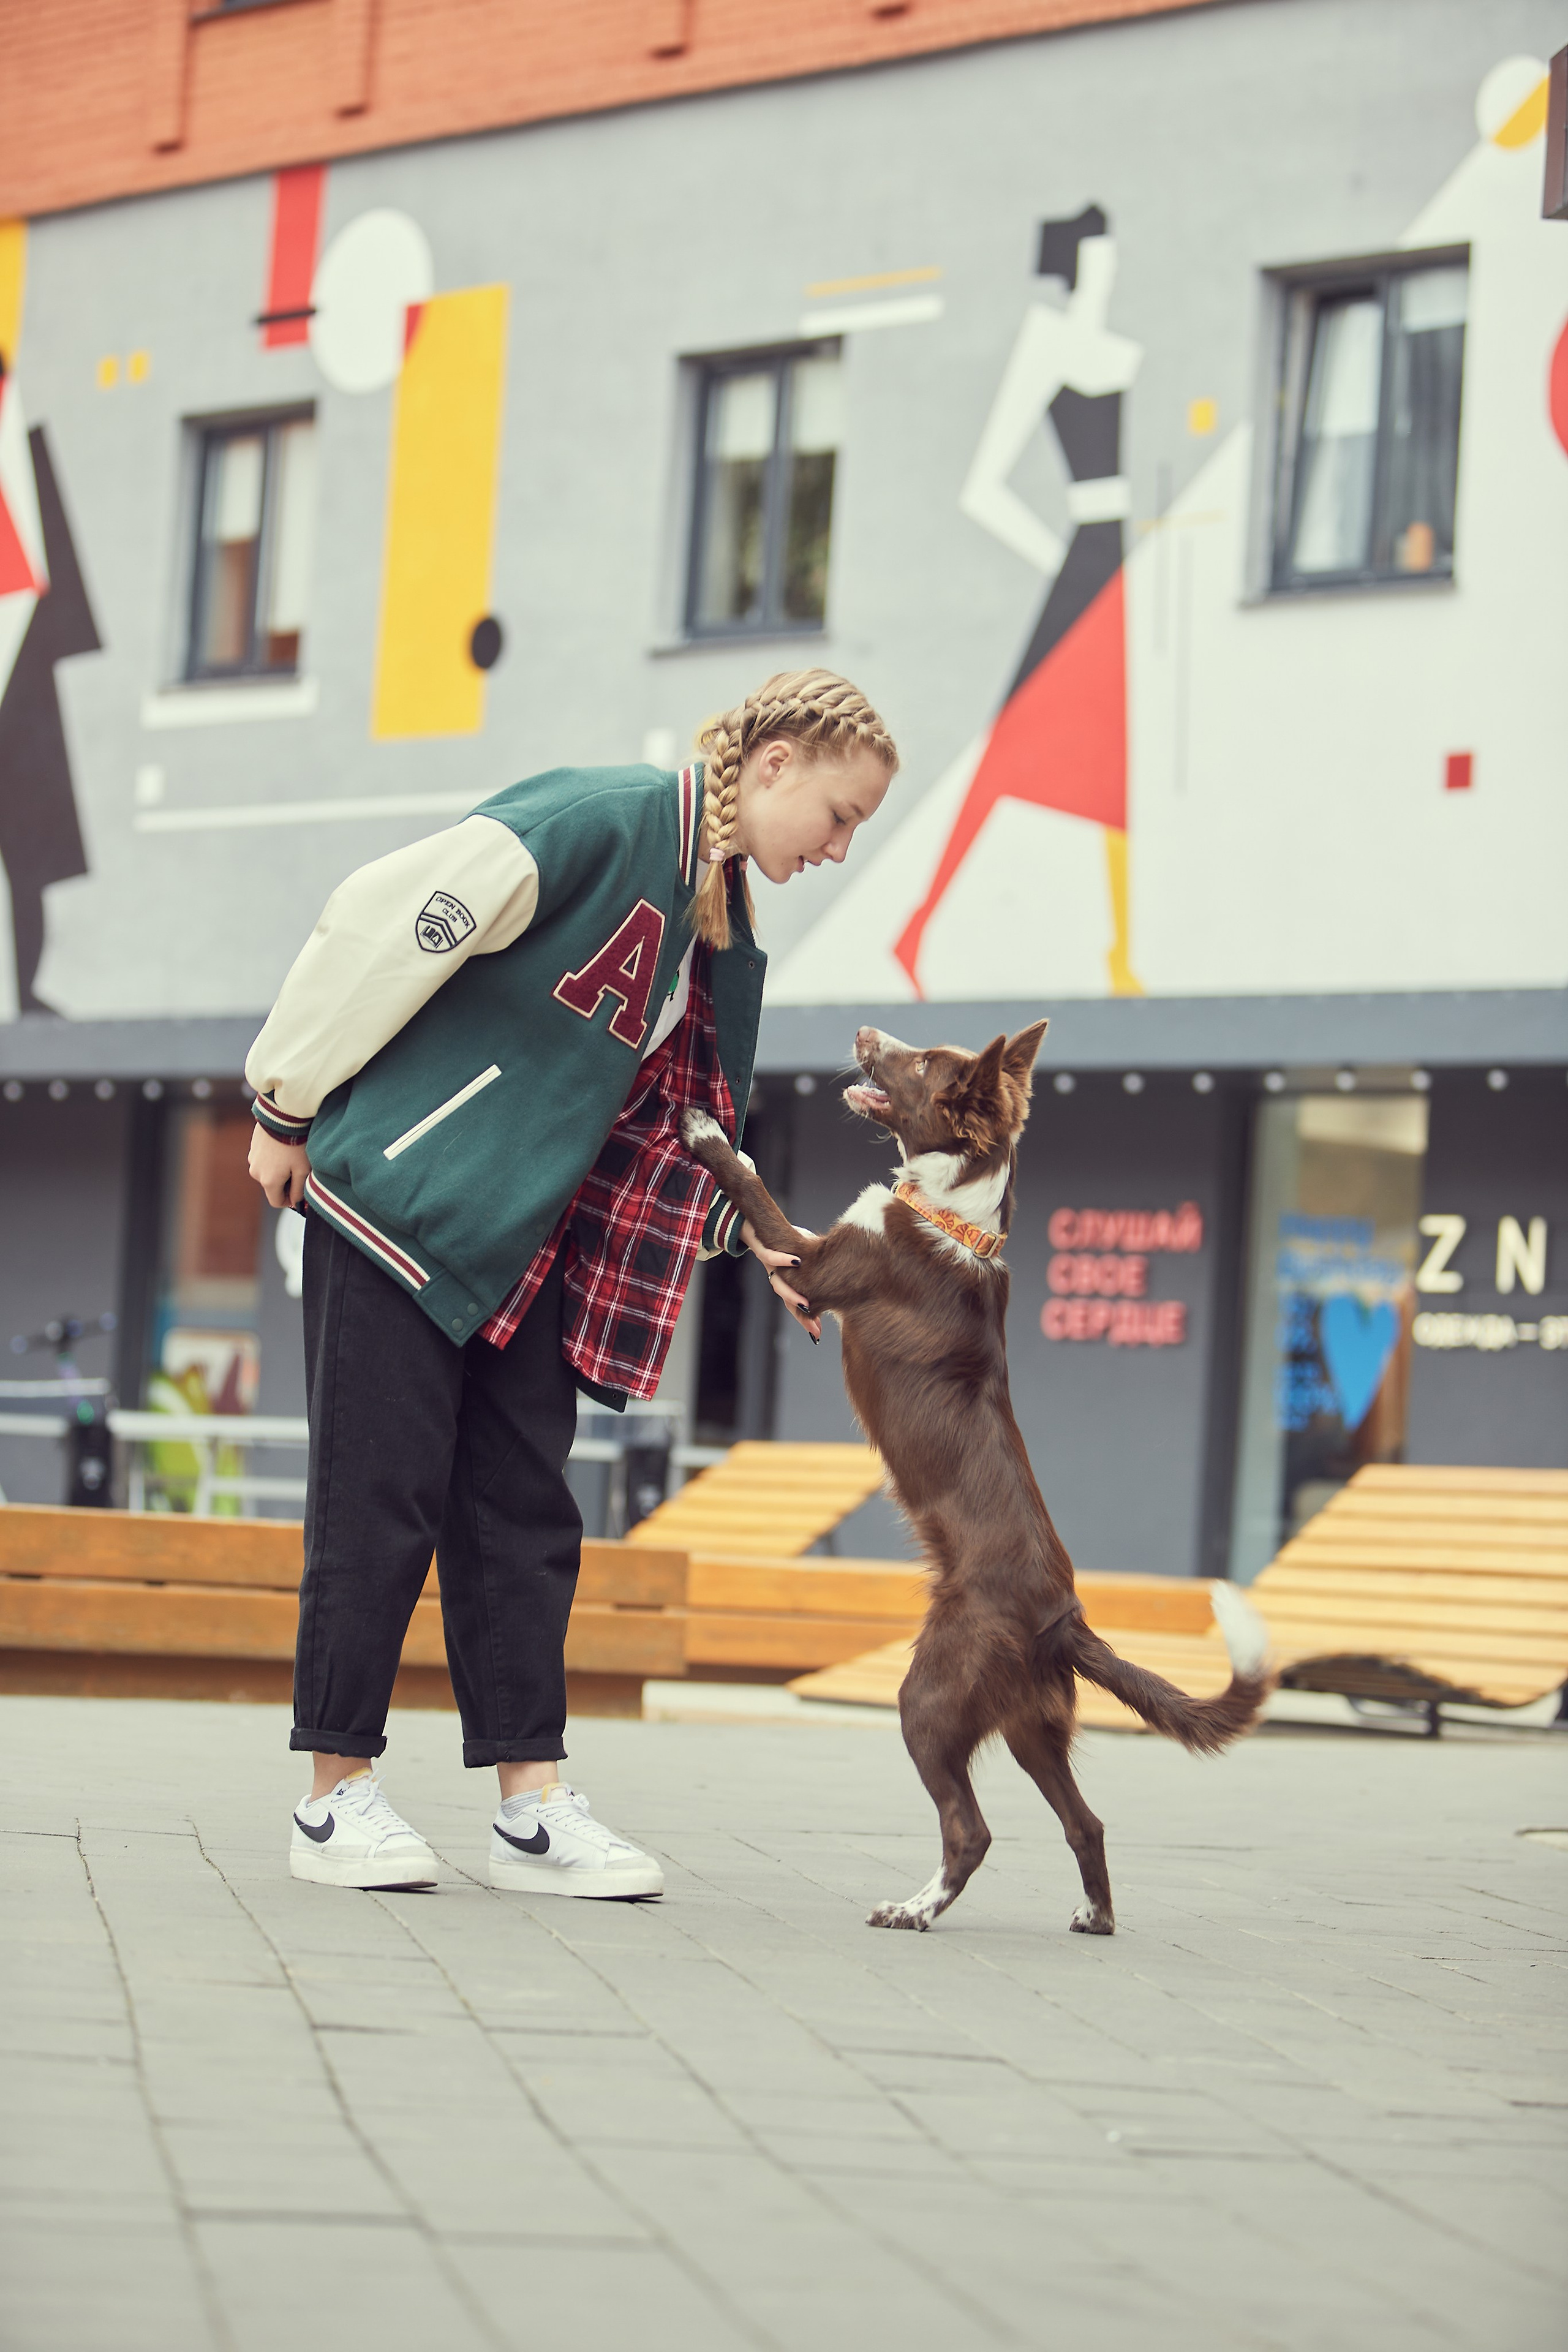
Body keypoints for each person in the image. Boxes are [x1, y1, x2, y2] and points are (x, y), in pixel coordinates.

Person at [245, 669, 897, 1898]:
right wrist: (284, 1098)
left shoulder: (710, 916)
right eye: (839, 814)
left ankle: (530, 1810)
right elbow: (385, 923)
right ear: (772, 769)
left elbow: (668, 1116)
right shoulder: (594, 823)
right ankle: (335, 1799)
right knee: (376, 1504)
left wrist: (750, 1229)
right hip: (399, 1204)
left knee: (523, 1522)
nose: (839, 847)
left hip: (530, 1244)